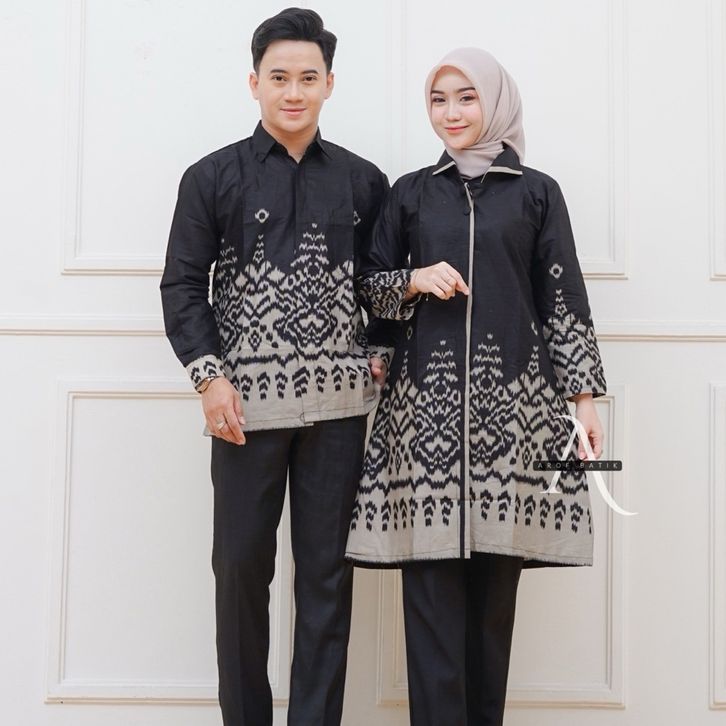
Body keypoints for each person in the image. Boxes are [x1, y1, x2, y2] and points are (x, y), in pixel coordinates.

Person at [345, 47, 607, 726]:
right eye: (438, 99)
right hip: (423, 426)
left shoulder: (537, 192)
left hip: (512, 424)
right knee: (430, 608)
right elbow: (368, 285)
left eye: (466, 97)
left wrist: (583, 401)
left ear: (495, 101)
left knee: (492, 614)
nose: (451, 112)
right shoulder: (410, 192)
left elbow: (561, 297)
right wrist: (411, 280)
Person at [159, 8, 392, 725]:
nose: (294, 92)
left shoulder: (364, 181)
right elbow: (182, 284)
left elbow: (384, 281)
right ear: (254, 82)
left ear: (329, 84)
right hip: (242, 412)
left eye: (308, 78)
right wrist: (209, 378)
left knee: (326, 580)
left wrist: (379, 351)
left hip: (338, 414)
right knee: (239, 572)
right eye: (280, 77)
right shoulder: (211, 177)